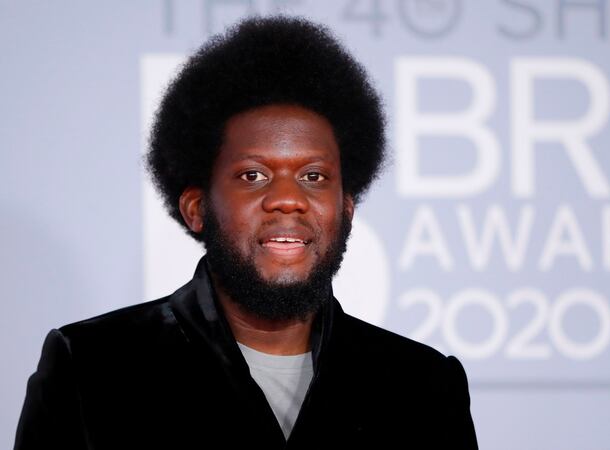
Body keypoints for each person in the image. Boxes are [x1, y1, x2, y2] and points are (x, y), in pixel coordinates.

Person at [14, 16, 478, 450]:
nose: (287, 198)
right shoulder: (94, 369)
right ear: (196, 207)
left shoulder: (424, 386)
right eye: (253, 175)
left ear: (348, 207)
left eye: (314, 176)